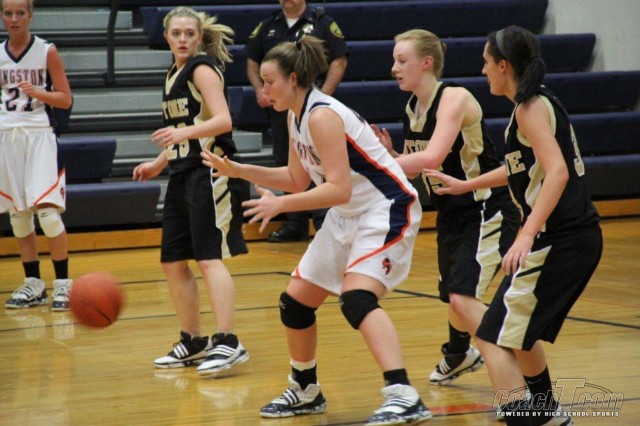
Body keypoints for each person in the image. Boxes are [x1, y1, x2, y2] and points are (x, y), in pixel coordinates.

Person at [202, 36, 431, 425]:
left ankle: (403, 395)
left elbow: (337, 188)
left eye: (270, 81)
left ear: (293, 78)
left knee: (357, 299)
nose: (264, 89)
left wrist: (279, 206)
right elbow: (296, 179)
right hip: (348, 212)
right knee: (294, 303)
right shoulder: (295, 115)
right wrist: (239, 170)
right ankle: (305, 389)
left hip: (385, 208)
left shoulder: (322, 115)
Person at [425, 25, 602, 425]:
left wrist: (525, 233)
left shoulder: (530, 108)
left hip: (561, 239)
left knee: (493, 334)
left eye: (486, 63)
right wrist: (466, 185)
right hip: (566, 238)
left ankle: (528, 416)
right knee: (517, 333)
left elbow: (556, 172)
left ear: (504, 66)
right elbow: (520, 166)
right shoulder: (532, 103)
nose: (483, 70)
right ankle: (547, 412)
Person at [372, 29, 520, 386]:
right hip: (451, 211)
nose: (394, 68)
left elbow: (433, 156)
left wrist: (374, 163)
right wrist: (392, 155)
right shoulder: (413, 107)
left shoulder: (454, 98)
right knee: (453, 297)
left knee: (462, 297)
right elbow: (417, 167)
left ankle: (517, 377)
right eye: (393, 60)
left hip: (485, 207)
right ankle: (458, 354)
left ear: (427, 63)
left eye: (401, 60)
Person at [132, 7, 249, 377]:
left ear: (199, 37)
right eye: (176, 33)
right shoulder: (173, 74)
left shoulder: (201, 69)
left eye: (189, 33)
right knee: (172, 261)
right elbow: (188, 127)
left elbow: (223, 120)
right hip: (182, 172)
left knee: (208, 258)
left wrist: (182, 134)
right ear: (166, 37)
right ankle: (194, 341)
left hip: (211, 171)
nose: (182, 39)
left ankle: (228, 340)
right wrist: (159, 163)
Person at [245, 0, 348, 242]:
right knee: (291, 161)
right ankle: (296, 223)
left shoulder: (322, 22)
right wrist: (238, 171)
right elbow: (251, 60)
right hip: (286, 106)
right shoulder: (268, 24)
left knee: (320, 165)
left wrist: (321, 95)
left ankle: (323, 221)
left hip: (376, 207)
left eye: (270, 81)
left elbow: (339, 60)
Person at [1, 0, 74, 311]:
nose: (14, 19)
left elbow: (66, 99)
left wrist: (38, 93)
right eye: (8, 13)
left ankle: (63, 284)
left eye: (20, 13)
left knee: (48, 215)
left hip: (40, 136)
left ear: (30, 15)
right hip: (7, 138)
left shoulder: (47, 51)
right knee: (19, 216)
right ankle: (34, 283)